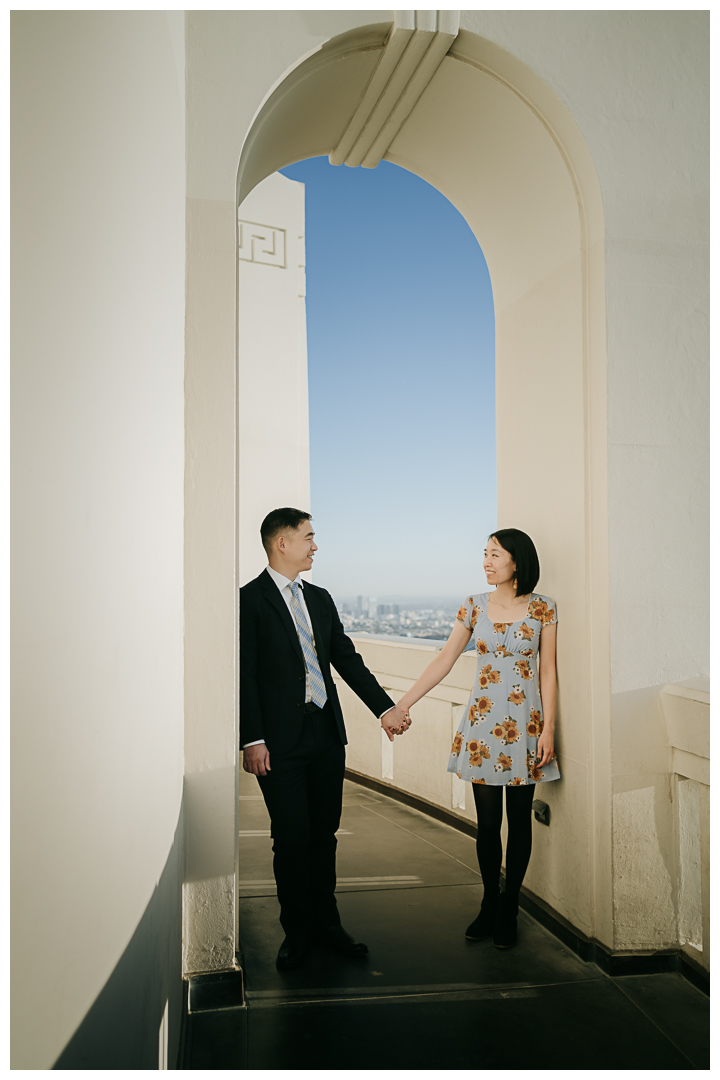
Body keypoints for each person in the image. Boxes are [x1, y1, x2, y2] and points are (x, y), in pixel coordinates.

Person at [240, 507, 411, 970]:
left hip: (325, 735)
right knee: (291, 838)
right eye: (308, 538)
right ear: (282, 543)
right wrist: (252, 739)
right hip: (277, 744)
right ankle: (296, 932)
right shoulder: (248, 601)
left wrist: (385, 707)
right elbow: (245, 675)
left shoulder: (320, 597)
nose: (315, 546)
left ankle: (327, 924)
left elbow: (346, 659)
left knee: (323, 835)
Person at [395, 529, 560, 950]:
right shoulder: (473, 606)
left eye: (494, 555)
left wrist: (549, 730)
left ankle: (510, 907)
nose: (486, 562)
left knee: (519, 820)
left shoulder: (543, 608)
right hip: (484, 728)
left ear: (516, 561)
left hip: (525, 728)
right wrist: (403, 704)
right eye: (484, 554)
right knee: (488, 824)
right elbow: (444, 659)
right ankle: (489, 902)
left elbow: (548, 672)